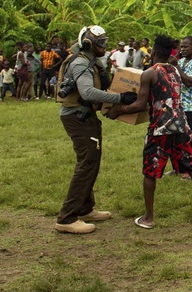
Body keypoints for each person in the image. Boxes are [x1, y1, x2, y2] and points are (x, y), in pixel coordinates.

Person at [108, 35, 192, 228]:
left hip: (160, 127)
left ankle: (148, 218)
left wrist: (119, 110)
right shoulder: (176, 71)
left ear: (155, 52)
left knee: (150, 171)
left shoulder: (150, 73)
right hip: (181, 125)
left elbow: (140, 104)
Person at [54, 25, 136, 234]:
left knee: (91, 160)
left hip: (85, 116)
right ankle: (66, 218)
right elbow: (88, 92)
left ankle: (84, 208)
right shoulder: (81, 62)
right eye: (99, 43)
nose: (103, 46)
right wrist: (119, 98)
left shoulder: (90, 60)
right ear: (88, 43)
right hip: (77, 117)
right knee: (87, 162)